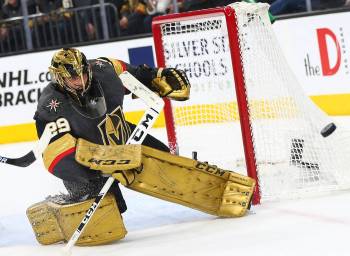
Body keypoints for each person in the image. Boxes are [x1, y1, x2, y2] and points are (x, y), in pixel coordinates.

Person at [26, 47, 256, 246]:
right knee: (107, 217)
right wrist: (99, 163)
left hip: (124, 138)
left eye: (83, 73)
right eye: (72, 78)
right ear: (58, 78)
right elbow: (55, 156)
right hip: (87, 165)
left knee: (168, 163)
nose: (81, 80)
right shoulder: (50, 105)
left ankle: (228, 194)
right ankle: (58, 208)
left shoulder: (105, 68)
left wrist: (160, 77)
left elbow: (137, 75)